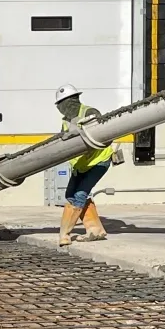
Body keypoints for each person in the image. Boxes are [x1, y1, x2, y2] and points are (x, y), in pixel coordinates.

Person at [55, 84, 113, 247]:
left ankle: (65, 235)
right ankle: (95, 230)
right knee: (70, 194)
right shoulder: (65, 121)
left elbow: (104, 134)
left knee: (79, 195)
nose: (65, 107)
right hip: (81, 165)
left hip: (98, 161)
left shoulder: (89, 112)